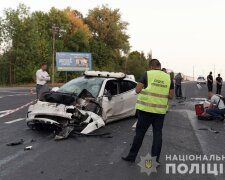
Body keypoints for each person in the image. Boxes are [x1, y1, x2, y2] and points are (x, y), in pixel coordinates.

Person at [122, 59, 174, 163]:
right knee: (157, 135)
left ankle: (132, 157)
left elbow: (137, 90)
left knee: (140, 133)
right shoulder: (168, 77)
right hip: (160, 112)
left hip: (145, 110)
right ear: (159, 66)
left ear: (151, 67)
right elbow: (171, 96)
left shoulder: (147, 74)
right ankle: (155, 160)